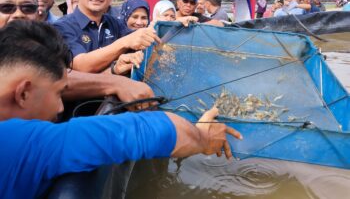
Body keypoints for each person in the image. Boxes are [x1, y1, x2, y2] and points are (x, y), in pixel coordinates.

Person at [0, 19, 242, 199]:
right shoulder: (17, 143)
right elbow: (150, 130)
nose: (61, 106)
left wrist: (115, 79)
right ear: (23, 93)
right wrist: (202, 137)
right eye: (60, 93)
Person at [0, 0, 154, 108]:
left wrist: (114, 70)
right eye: (7, 8)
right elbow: (55, 78)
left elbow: (63, 75)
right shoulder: (62, 27)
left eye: (28, 8)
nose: (19, 14)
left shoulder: (42, 41)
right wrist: (116, 82)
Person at [54, 0, 160, 74]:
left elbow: (140, 40)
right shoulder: (62, 27)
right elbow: (81, 65)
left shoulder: (114, 24)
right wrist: (124, 42)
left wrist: (173, 25)